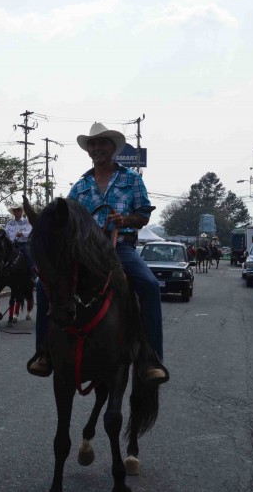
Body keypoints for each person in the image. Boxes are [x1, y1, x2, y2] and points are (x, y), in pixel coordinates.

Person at [30, 122, 168, 383]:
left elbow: (143, 216)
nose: (96, 148)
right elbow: (65, 218)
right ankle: (44, 352)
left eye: (101, 143)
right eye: (92, 144)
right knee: (42, 285)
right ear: (88, 151)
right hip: (85, 251)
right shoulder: (80, 186)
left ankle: (151, 357)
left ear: (112, 148)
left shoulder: (132, 179)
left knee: (149, 285)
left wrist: (125, 220)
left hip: (120, 247)